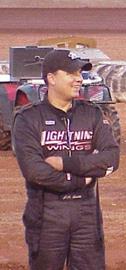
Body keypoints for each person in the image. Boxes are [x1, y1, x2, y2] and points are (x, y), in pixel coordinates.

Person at [13, 49, 120, 270]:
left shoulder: (92, 114)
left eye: (79, 72)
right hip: (46, 213)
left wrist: (65, 164)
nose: (79, 78)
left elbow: (111, 158)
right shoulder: (28, 118)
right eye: (71, 72)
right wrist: (82, 179)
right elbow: (35, 171)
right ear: (51, 78)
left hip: (87, 213)